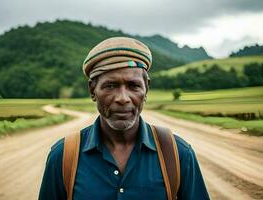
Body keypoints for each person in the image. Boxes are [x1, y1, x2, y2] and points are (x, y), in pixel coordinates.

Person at [39, 37, 210, 200]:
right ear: (92, 91)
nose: (123, 98)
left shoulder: (178, 154)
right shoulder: (62, 157)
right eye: (110, 86)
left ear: (146, 90)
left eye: (133, 86)